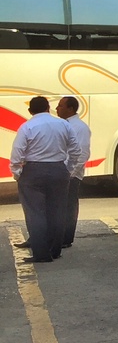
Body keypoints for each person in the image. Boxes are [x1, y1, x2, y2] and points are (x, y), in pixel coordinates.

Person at [10, 96, 82, 263]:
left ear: (30, 111)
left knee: (35, 213)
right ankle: (55, 250)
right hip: (58, 170)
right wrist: (68, 169)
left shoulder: (27, 126)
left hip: (33, 171)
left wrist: (17, 173)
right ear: (48, 107)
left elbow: (17, 154)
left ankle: (41, 253)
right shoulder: (64, 124)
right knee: (57, 212)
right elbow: (76, 150)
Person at [56, 96, 91, 248]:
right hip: (60, 171)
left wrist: (70, 173)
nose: (57, 108)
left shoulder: (80, 127)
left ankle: (66, 237)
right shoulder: (63, 124)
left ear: (70, 109)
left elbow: (82, 153)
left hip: (70, 173)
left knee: (68, 206)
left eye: (60, 106)